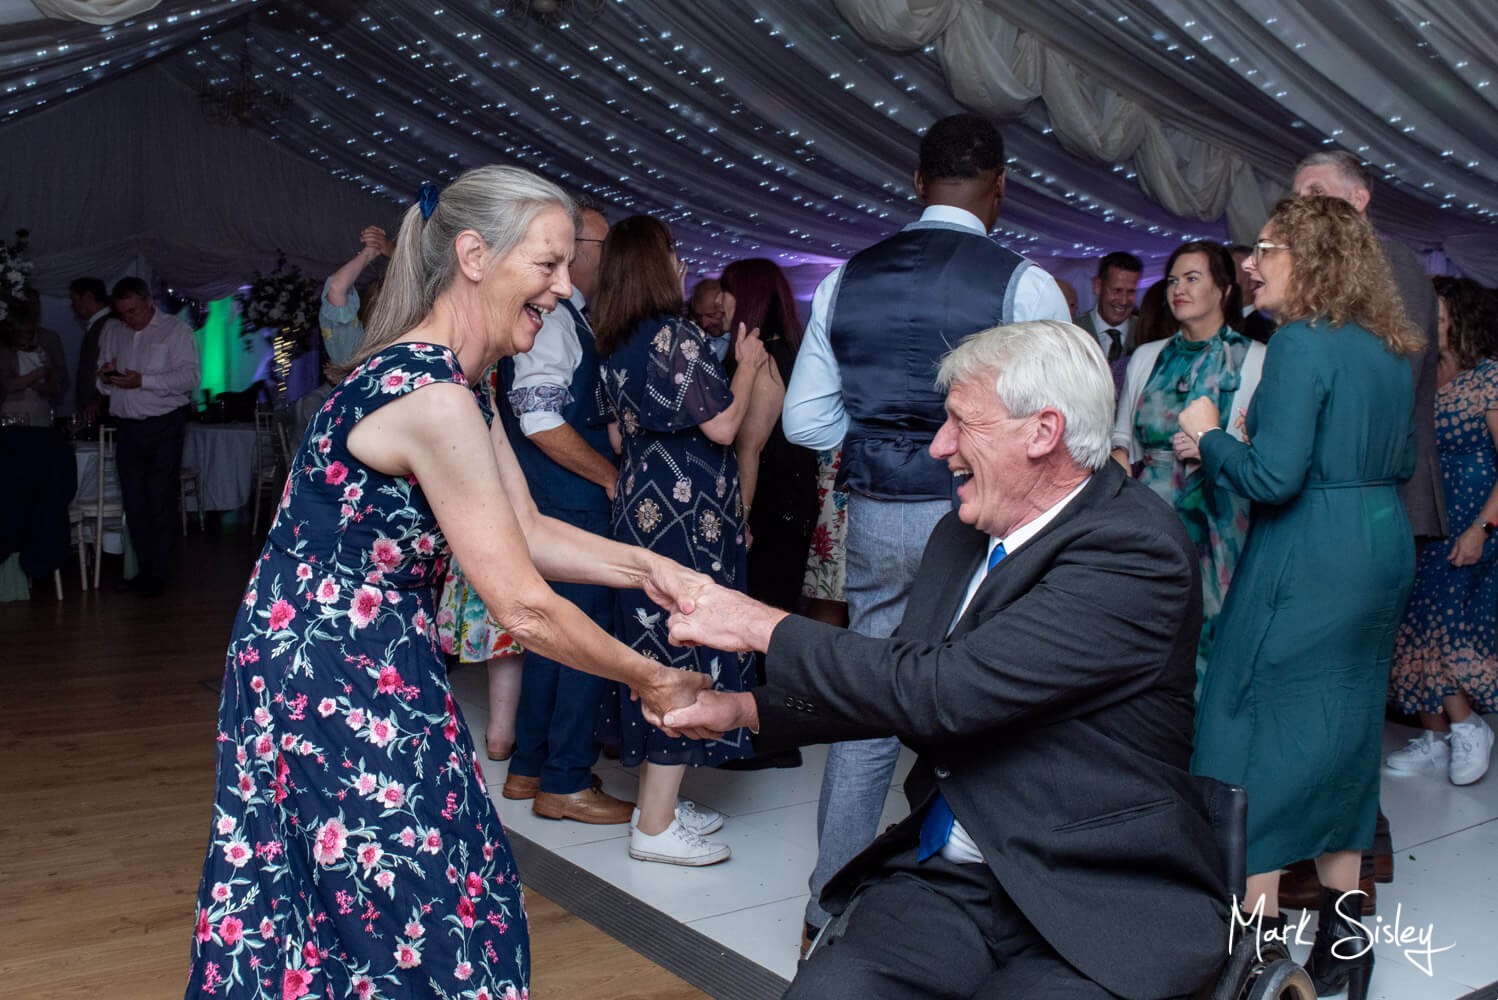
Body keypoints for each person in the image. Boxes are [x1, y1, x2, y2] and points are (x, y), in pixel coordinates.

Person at [183, 167, 709, 999]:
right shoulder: (433, 396)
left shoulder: (462, 383)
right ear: (473, 256)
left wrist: (650, 567)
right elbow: (521, 605)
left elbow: (526, 529)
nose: (565, 287)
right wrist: (650, 677)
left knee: (405, 889)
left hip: (368, 655)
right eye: (547, 264)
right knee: (409, 904)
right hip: (329, 670)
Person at [663, 320, 1227, 999]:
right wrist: (746, 709)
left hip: (1095, 898)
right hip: (955, 882)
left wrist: (758, 624)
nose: (939, 445)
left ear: (1042, 431)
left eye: (962, 422)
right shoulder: (962, 533)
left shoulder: (1133, 551)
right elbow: (900, 678)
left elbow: (946, 692)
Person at [780, 112, 1070, 946]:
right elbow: (1061, 421)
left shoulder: (845, 279)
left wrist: (880, 438)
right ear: (1000, 185)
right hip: (981, 517)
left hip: (877, 510)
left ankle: (825, 908)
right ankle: (985, 904)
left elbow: (804, 422)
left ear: (917, 181)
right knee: (991, 696)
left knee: (870, 699)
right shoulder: (1024, 284)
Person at [1181, 195, 1425, 1000]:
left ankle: (1255, 963)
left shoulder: (1298, 344)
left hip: (1308, 554)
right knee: (1344, 740)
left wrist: (1210, 434)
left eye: (1267, 250)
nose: (1251, 265)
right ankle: (1346, 952)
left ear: (1311, 257)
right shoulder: (1389, 347)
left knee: (1251, 737)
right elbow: (1387, 459)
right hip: (1379, 544)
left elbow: (1272, 478)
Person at [1276, 148, 1447, 912]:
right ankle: (1350, 844)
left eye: (1317, 192)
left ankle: (1355, 852)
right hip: (1351, 498)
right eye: (1296, 196)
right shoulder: (1337, 273)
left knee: (1346, 686)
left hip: (1376, 499)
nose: (1304, 206)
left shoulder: (1391, 262)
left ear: (1360, 198)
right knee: (1340, 684)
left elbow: (1382, 388)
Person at [592, 214, 768, 866]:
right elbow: (722, 426)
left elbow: (618, 437)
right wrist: (746, 367)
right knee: (681, 649)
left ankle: (655, 803)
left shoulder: (614, 339)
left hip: (642, 504)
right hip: (687, 517)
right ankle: (656, 828)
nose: (682, 264)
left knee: (652, 644)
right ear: (654, 263)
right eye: (673, 253)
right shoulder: (676, 334)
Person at [494, 200, 636, 823]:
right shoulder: (552, 321)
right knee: (583, 639)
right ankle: (566, 781)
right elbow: (540, 418)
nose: (608, 257)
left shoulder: (569, 316)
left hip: (555, 500)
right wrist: (608, 476)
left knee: (553, 638)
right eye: (602, 245)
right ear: (573, 250)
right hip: (568, 502)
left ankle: (531, 766)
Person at [1112, 241, 1265, 692]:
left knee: (1213, 633)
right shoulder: (1147, 357)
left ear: (1224, 289)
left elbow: (1267, 452)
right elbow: (1122, 441)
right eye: (1173, 280)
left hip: (1222, 519)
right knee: (1144, 628)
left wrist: (1214, 446)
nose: (1178, 289)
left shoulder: (1257, 359)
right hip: (1150, 516)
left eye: (1192, 278)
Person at [1387, 276, 1498, 785]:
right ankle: (1435, 738)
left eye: (1435, 312)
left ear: (1460, 319)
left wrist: (1481, 528)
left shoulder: (1488, 377)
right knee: (1409, 626)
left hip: (1475, 523)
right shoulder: (1417, 376)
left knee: (1443, 627)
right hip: (1423, 521)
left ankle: (1468, 726)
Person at [96, 277, 199, 596]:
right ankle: (144, 570)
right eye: (123, 313)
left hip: (164, 423)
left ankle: (159, 572)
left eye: (133, 311)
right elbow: (102, 383)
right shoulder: (113, 331)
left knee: (159, 497)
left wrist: (144, 381)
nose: (128, 319)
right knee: (134, 499)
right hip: (127, 426)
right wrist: (106, 378)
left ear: (149, 302)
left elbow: (190, 377)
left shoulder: (175, 330)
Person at [1075, 250, 1143, 360]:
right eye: (1117, 290)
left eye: (1131, 292)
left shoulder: (1146, 334)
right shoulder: (1073, 332)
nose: (1124, 301)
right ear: (1097, 286)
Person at [68, 277, 112, 423]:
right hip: (94, 407)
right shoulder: (99, 324)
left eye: (74, 300)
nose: (72, 305)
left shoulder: (108, 325)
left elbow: (110, 365)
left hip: (101, 408)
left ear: (87, 297)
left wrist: (96, 399)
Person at [687, 277, 729, 362]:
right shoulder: (693, 338)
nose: (704, 324)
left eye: (711, 315)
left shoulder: (745, 341)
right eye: (699, 316)